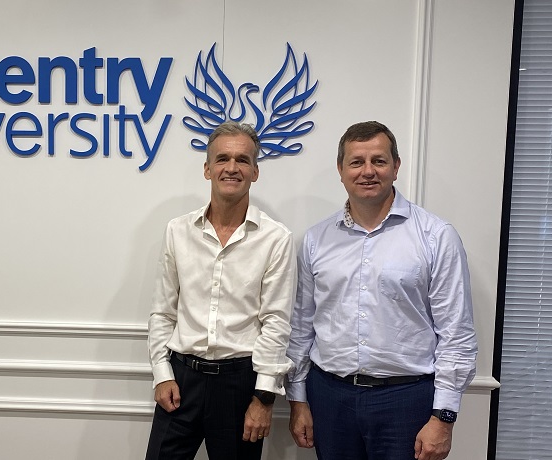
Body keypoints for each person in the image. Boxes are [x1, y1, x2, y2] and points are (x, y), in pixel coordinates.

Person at [286, 121, 477, 460]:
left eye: (379, 160)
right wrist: (298, 399)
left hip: (406, 401)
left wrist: (444, 417)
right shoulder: (316, 239)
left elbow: (456, 333)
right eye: (356, 162)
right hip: (330, 398)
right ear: (341, 170)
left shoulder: (436, 236)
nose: (368, 171)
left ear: (396, 166)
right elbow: (302, 327)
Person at [145, 121, 296, 460]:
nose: (232, 167)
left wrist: (263, 398)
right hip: (181, 379)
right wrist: (161, 374)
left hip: (239, 385)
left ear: (255, 171)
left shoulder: (275, 238)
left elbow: (276, 322)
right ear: (207, 168)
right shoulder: (178, 230)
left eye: (243, 160)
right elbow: (163, 311)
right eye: (223, 158)